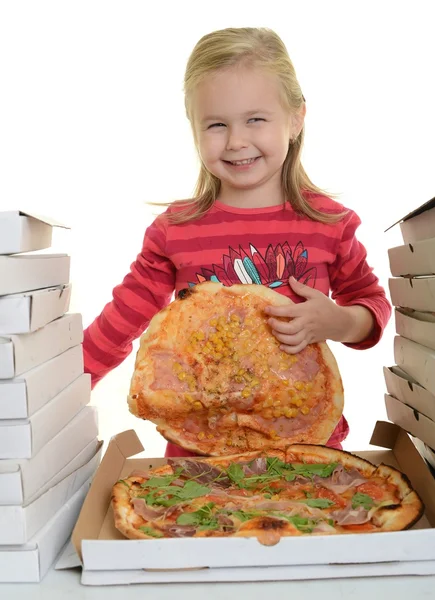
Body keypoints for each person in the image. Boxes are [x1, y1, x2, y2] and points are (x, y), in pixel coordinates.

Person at [83, 27, 391, 457]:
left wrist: (336, 322)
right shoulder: (176, 229)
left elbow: (372, 305)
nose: (236, 141)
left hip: (307, 444)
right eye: (216, 125)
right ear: (194, 128)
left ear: (296, 118)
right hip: (200, 453)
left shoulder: (329, 223)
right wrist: (54, 392)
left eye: (255, 119)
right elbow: (121, 320)